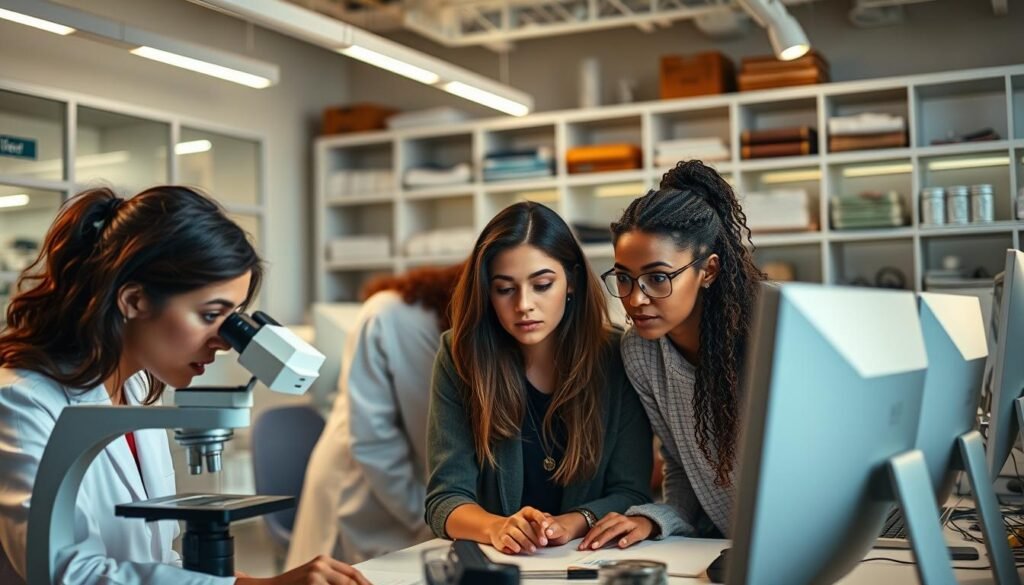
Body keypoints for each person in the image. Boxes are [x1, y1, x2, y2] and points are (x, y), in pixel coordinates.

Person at [0, 187, 370, 585]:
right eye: (211, 314)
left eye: (233, 318)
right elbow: (70, 573)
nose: (224, 341)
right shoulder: (20, 401)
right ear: (134, 300)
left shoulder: (138, 388)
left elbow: (152, 559)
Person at [425, 201, 653, 556]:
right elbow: (444, 500)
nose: (523, 305)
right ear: (487, 293)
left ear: (571, 282)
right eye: (505, 289)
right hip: (498, 565)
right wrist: (496, 527)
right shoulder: (460, 356)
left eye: (542, 284)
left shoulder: (616, 356)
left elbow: (632, 492)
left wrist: (573, 521)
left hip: (588, 561)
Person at [578, 160, 765, 550]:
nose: (636, 298)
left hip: (870, 535)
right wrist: (655, 517)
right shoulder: (641, 352)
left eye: (657, 278)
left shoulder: (770, 330)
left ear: (708, 270)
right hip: (738, 547)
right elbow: (681, 468)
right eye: (624, 278)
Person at [287, 263, 464, 566]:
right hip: (362, 486)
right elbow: (373, 441)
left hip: (418, 497)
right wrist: (433, 518)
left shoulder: (469, 337)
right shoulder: (387, 316)